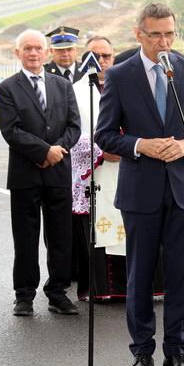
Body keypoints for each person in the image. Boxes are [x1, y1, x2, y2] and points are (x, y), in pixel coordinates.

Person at [95, 3, 184, 366]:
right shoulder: (120, 75)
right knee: (140, 276)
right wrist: (140, 145)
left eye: (169, 34)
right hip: (140, 192)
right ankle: (142, 355)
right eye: (155, 35)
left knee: (180, 277)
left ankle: (176, 354)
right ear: (139, 34)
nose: (164, 42)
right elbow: (104, 134)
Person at [0, 29, 81, 316]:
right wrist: (44, 151)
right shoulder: (7, 88)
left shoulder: (62, 86)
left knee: (61, 236)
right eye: (27, 48)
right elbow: (11, 130)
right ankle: (24, 295)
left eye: (37, 48)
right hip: (25, 173)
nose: (33, 53)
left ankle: (58, 292)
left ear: (46, 52)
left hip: (59, 171)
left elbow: (74, 125)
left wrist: (57, 150)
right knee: (25, 237)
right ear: (17, 53)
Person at [70, 35, 120, 300]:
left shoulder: (124, 85)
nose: (101, 61)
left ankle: (128, 288)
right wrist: (101, 150)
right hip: (94, 172)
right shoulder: (75, 91)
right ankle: (97, 288)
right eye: (95, 56)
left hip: (124, 169)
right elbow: (70, 132)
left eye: (106, 56)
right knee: (94, 229)